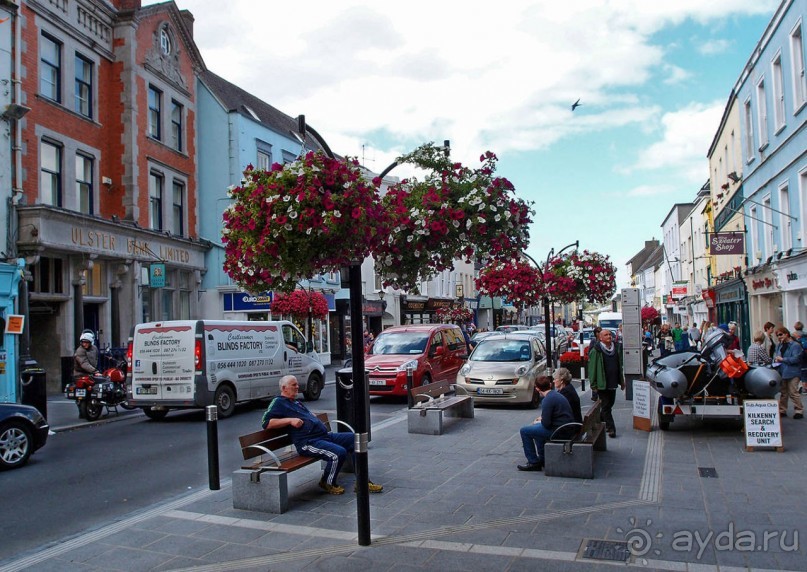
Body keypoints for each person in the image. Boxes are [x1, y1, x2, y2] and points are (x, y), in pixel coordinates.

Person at [261, 375, 384, 494]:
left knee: (355, 439)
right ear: (284, 388)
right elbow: (266, 423)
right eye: (294, 385)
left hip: (323, 437)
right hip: (308, 442)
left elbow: (305, 415)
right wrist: (290, 420)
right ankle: (327, 482)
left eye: (297, 384)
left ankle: (362, 482)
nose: (297, 387)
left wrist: (311, 417)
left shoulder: (295, 402)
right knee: (338, 453)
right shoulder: (278, 402)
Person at [517, 376, 574, 472]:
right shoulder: (555, 395)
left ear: (537, 388)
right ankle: (542, 458)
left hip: (559, 431)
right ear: (550, 385)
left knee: (525, 431)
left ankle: (533, 462)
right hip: (565, 427)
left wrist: (539, 421)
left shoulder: (547, 400)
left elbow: (546, 424)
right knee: (535, 429)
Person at [588, 328, 625, 438]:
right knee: (606, 406)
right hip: (602, 383)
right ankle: (611, 428)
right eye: (606, 335)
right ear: (600, 338)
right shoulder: (596, 350)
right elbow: (592, 369)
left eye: (610, 334)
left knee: (610, 404)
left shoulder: (616, 348)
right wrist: (593, 384)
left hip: (612, 382)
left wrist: (622, 381)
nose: (609, 336)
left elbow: (619, 366)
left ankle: (598, 421)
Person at [773, 327, 803, 419]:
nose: (779, 337)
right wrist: (775, 359)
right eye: (777, 335)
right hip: (782, 371)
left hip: (793, 371)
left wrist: (783, 359)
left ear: (786, 334)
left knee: (793, 392)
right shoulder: (779, 345)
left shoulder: (795, 345)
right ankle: (782, 410)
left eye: (781, 334)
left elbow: (796, 359)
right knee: (783, 392)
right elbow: (775, 354)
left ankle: (799, 410)